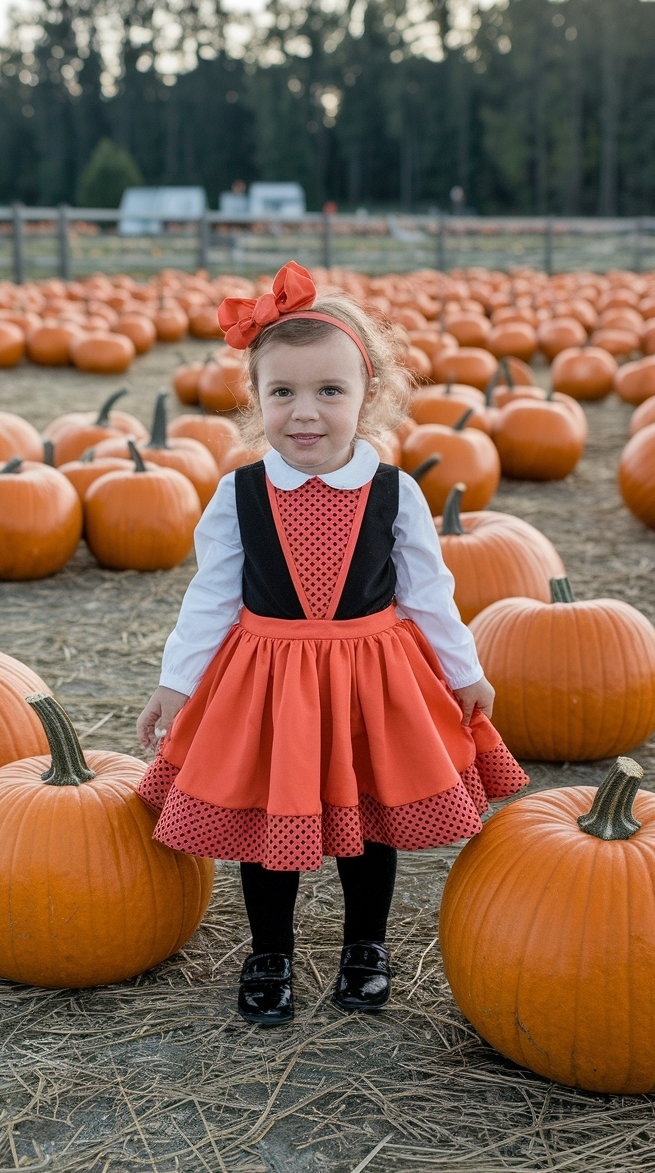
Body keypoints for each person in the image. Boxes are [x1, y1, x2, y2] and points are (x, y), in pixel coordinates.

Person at [136, 261, 528, 1026]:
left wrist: (464, 670)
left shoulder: (395, 492)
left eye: (329, 391)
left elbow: (428, 592)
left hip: (370, 680)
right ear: (256, 401)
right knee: (263, 822)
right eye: (282, 392)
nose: (305, 413)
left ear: (368, 396)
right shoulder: (239, 495)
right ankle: (270, 951)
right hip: (267, 681)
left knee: (366, 819)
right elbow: (210, 597)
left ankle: (365, 946)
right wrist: (176, 683)